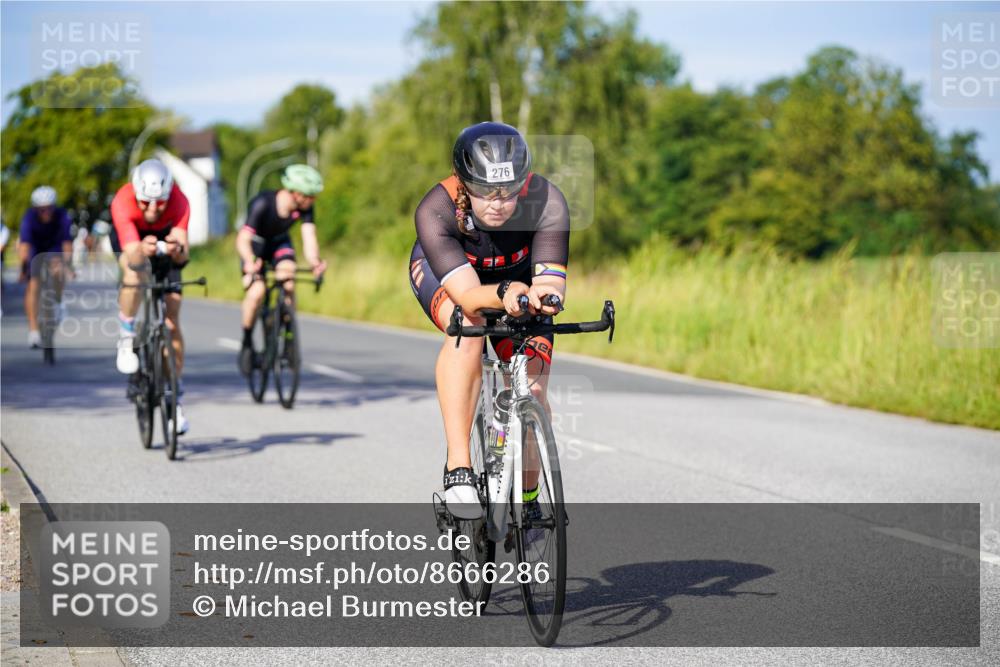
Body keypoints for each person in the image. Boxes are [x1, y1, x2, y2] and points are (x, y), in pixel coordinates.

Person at [409, 122, 569, 519]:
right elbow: (467, 295)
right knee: (468, 325)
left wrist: (545, 298)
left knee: (533, 387)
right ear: (463, 183)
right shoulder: (436, 209)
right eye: (484, 190)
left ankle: (529, 500)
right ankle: (459, 468)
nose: (497, 202)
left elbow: (550, 280)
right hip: (450, 277)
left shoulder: (547, 200)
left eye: (509, 190)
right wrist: (505, 292)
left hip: (518, 283)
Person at [110, 159, 191, 434]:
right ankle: (127, 332)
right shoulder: (123, 201)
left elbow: (184, 258)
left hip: (164, 243)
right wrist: (143, 249)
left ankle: (175, 398)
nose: (153, 209)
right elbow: (132, 257)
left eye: (160, 202)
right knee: (134, 275)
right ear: (136, 194)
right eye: (146, 202)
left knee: (172, 318)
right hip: (133, 243)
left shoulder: (180, 201)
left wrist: (175, 247)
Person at [235, 163, 326, 374]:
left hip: (279, 244)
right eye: (310, 196)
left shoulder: (305, 207)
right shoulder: (263, 203)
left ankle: (288, 339)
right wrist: (249, 261)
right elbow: (243, 238)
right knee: (256, 292)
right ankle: (247, 341)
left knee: (289, 279)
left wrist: (314, 261)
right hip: (255, 246)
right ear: (295, 194)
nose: (313, 201)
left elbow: (309, 236)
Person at [17, 186, 73, 347]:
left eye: (49, 208)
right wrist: (23, 270)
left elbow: (67, 244)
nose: (46, 212)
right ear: (35, 209)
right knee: (33, 284)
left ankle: (58, 301)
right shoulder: (28, 218)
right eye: (42, 209)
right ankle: (34, 331)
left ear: (54, 207)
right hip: (35, 248)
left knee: (58, 268)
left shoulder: (62, 216)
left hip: (54, 248)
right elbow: (25, 247)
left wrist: (68, 266)